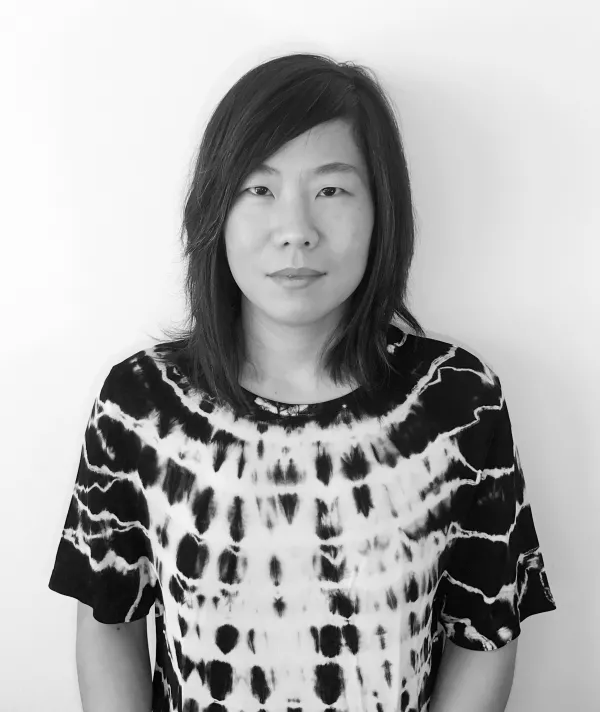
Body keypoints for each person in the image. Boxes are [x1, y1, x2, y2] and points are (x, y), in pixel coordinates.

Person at [48, 52, 557, 712]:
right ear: (215, 209)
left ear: (382, 211)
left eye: (332, 190)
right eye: (258, 190)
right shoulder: (140, 403)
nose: (296, 232)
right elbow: (109, 622)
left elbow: (484, 630)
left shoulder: (457, 401)